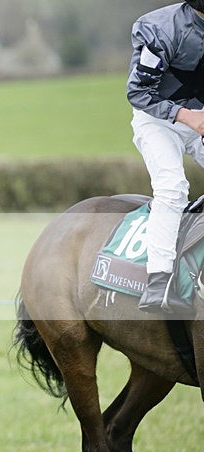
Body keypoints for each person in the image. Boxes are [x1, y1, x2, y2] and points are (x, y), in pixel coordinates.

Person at [127, 0, 204, 313]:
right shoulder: (160, 28)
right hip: (157, 120)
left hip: (200, 116)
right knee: (172, 188)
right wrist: (187, 116)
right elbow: (138, 92)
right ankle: (158, 281)